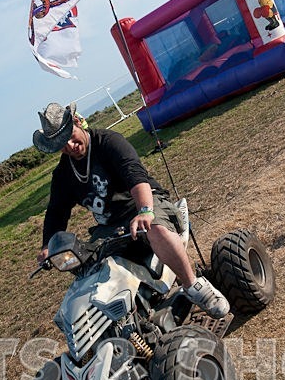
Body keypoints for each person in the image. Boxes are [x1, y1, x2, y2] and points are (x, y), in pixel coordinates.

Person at [33, 102, 230, 319]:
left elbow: (134, 174)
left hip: (143, 203)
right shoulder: (63, 174)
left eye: (71, 137)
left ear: (78, 123)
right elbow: (56, 211)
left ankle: (193, 285)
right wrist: (47, 245)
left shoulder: (109, 142)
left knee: (156, 228)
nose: (70, 146)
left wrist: (145, 210)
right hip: (110, 225)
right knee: (89, 267)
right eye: (62, 145)